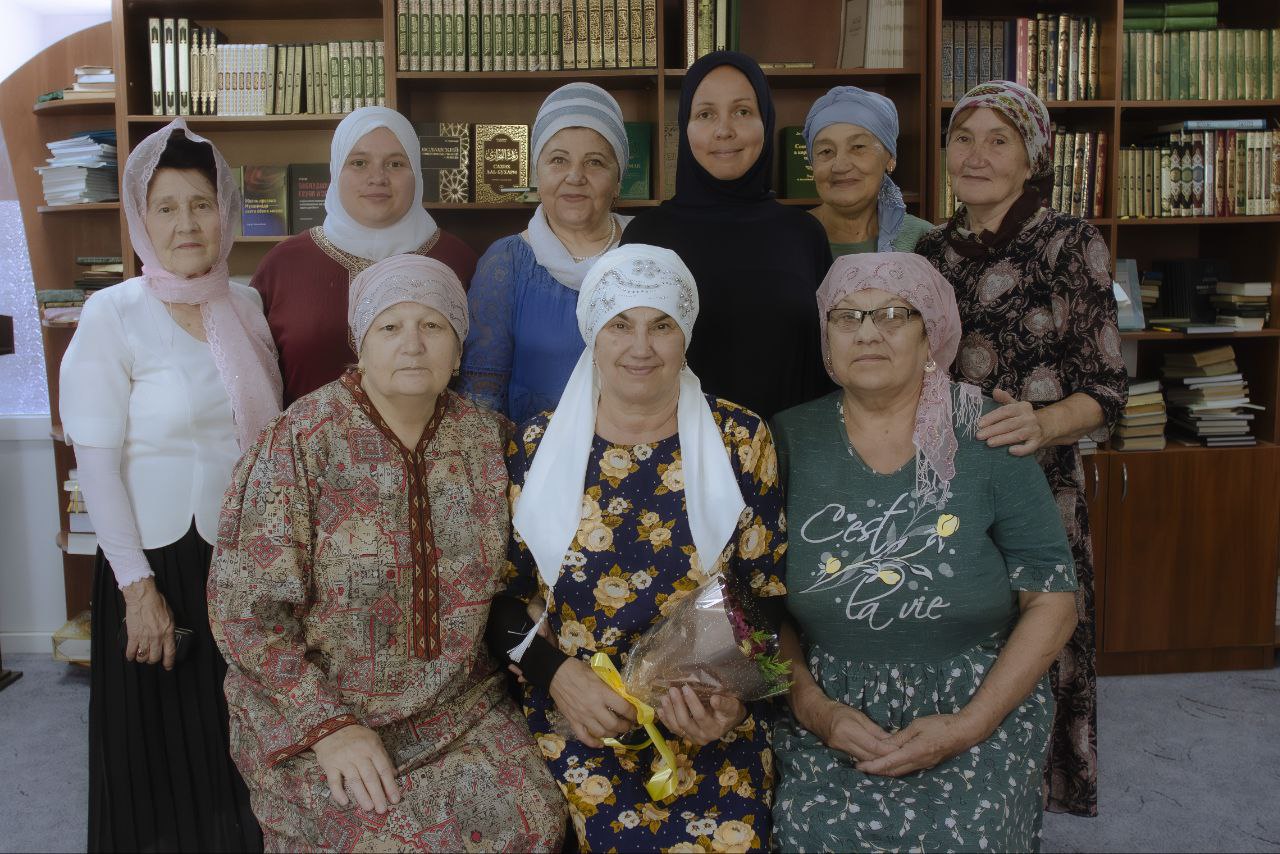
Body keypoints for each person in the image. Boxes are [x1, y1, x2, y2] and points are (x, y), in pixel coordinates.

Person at [208, 254, 566, 852]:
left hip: (460, 710)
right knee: (387, 839)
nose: (413, 345)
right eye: (390, 327)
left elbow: (528, 572)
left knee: (536, 817)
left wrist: (541, 623)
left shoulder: (492, 441)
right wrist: (329, 728)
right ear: (360, 343)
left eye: (433, 326)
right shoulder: (299, 443)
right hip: (320, 714)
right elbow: (246, 615)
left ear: (459, 348)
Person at [769, 252, 1079, 852]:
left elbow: (1052, 599)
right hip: (830, 699)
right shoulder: (786, 437)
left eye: (893, 314)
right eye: (846, 316)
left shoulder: (990, 431)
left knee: (963, 837)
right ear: (827, 339)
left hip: (974, 696)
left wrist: (969, 725)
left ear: (929, 332)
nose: (867, 333)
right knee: (810, 831)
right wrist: (813, 707)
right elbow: (762, 602)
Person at [486, 244, 787, 852]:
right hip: (576, 717)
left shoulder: (741, 438)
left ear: (686, 336)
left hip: (704, 721)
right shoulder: (535, 446)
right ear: (592, 335)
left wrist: (731, 703)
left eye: (662, 325)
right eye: (620, 325)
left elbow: (766, 598)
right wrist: (556, 675)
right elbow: (497, 603)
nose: (641, 347)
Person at [60, 118, 279, 852]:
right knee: (154, 759)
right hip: (154, 565)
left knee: (234, 745)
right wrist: (137, 590)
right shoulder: (113, 314)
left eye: (201, 204)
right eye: (166, 207)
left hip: (238, 562)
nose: (186, 224)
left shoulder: (245, 307)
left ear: (226, 212)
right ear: (141, 220)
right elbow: (97, 462)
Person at [916, 80, 1127, 817]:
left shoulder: (1071, 242)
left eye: (997, 140)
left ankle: (1032, 797)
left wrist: (1042, 423)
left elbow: (1107, 390)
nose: (976, 156)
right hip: (948, 482)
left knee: (1040, 633)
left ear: (1031, 156)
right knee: (960, 630)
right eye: (962, 138)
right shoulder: (930, 250)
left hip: (1039, 484)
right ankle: (959, 785)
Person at [621, 51, 832, 420]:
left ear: (766, 121)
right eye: (705, 114)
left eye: (742, 111)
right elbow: (624, 361)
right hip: (676, 449)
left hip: (786, 447)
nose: (724, 130)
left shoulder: (803, 234)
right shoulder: (646, 236)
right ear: (684, 127)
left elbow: (828, 362)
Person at [251, 106, 478, 404]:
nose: (377, 177)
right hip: (305, 434)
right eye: (359, 163)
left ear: (417, 172)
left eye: (395, 164)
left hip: (436, 435)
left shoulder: (457, 260)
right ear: (335, 171)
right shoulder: (283, 264)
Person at [458, 83, 633, 425]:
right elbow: (482, 400)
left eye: (595, 162)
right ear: (536, 173)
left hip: (640, 452)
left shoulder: (647, 251)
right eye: (558, 160)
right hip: (533, 452)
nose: (575, 176)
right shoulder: (506, 262)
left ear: (618, 179)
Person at [803, 85, 934, 256]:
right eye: (826, 151)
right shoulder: (783, 237)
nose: (840, 166)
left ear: (890, 158)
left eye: (858, 147)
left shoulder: (926, 240)